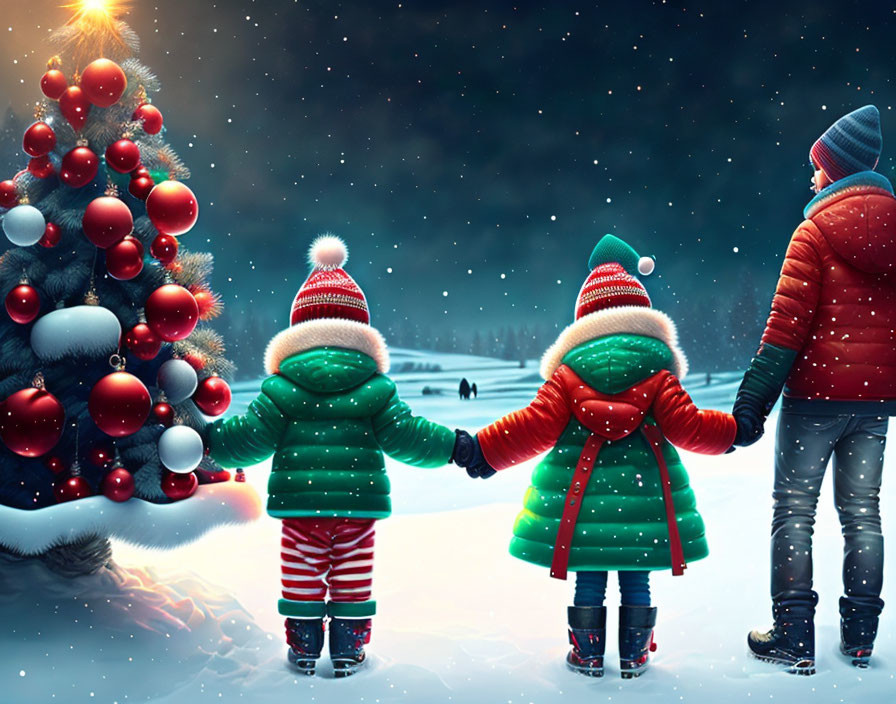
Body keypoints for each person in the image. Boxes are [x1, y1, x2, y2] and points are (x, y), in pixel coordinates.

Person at [456, 235, 736, 679]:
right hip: (644, 500)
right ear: (641, 317)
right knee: (635, 572)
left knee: (589, 571)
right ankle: (634, 655)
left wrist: (485, 450)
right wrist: (733, 431)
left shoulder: (567, 375)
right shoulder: (658, 372)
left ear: (584, 319)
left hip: (580, 501)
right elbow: (690, 426)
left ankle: (586, 655)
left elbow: (534, 425)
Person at [205, 236, 469, 677]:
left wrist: (205, 442)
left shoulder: (281, 388)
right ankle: (349, 648)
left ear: (297, 331)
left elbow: (249, 438)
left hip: (300, 507)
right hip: (357, 505)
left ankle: (304, 648)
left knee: (302, 574)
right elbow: (408, 435)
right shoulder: (375, 389)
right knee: (352, 573)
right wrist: (455, 447)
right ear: (360, 332)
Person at [733, 105, 895, 674]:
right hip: (874, 404)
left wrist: (751, 403)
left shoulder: (814, 232)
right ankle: (859, 637)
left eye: (817, 167)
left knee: (794, 511)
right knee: (863, 513)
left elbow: (785, 330)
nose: (812, 178)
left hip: (813, 402)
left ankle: (795, 635)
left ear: (837, 170)